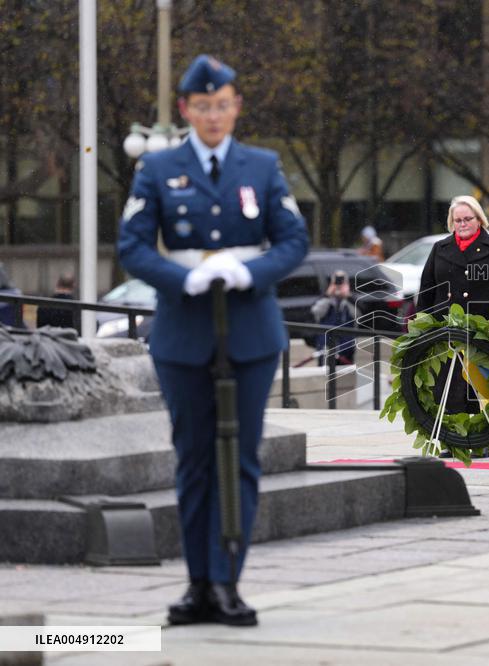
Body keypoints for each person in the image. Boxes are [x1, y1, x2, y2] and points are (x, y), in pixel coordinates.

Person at [117, 54, 309, 626]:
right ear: (185, 110)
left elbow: (293, 240)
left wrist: (251, 271)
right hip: (184, 332)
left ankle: (229, 581)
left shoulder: (263, 166)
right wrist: (184, 277)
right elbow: (132, 246)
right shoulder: (158, 169)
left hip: (249, 330)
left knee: (241, 458)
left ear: (236, 107)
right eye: (202, 106)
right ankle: (197, 583)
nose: (213, 115)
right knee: (194, 461)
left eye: (222, 104)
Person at [416, 195, 489, 438]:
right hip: (446, 330)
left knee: (478, 388)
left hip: (483, 331)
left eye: (467, 219)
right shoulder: (440, 248)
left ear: (479, 220)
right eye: (457, 219)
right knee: (447, 387)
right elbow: (427, 289)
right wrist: (423, 326)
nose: (462, 224)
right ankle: (452, 438)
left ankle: (479, 438)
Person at [310, 270, 356, 367]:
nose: (338, 284)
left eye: (341, 281)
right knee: (324, 371)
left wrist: (348, 297)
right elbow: (315, 312)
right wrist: (327, 296)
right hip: (326, 343)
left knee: (344, 373)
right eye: (337, 281)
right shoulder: (325, 298)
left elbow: (358, 315)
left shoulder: (352, 300)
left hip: (346, 345)